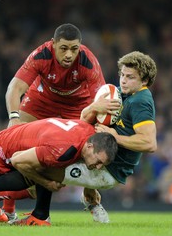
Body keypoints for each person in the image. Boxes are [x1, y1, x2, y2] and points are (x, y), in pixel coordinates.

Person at [12, 51, 157, 225]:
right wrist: (94, 107)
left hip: (109, 171)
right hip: (99, 159)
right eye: (122, 75)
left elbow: (149, 143)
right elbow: (84, 121)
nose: (124, 80)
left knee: (43, 164)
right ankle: (90, 199)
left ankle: (39, 216)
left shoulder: (141, 101)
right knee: (48, 153)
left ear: (145, 81)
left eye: (130, 77)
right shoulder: (119, 93)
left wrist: (115, 136)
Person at [0, 23, 105, 222]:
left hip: (77, 106)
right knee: (12, 143)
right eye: (63, 48)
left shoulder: (88, 61)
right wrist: (13, 118)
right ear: (53, 45)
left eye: (74, 49)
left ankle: (91, 197)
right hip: (41, 101)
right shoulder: (41, 55)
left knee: (92, 144)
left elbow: (101, 98)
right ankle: (8, 210)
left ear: (80, 47)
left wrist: (99, 122)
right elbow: (14, 88)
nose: (69, 55)